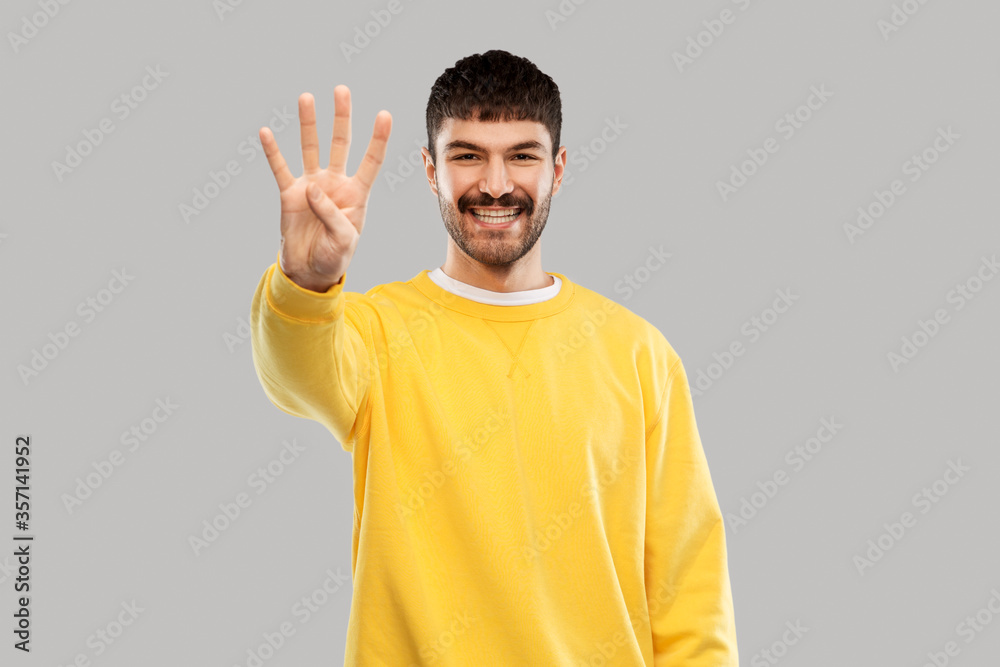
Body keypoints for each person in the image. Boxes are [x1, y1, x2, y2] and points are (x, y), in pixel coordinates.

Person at [250, 49, 738, 666]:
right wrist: (305, 278)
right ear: (430, 170)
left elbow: (688, 585)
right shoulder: (374, 331)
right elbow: (293, 371)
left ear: (558, 168)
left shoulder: (640, 354)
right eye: (467, 155)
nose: (497, 184)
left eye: (523, 155)